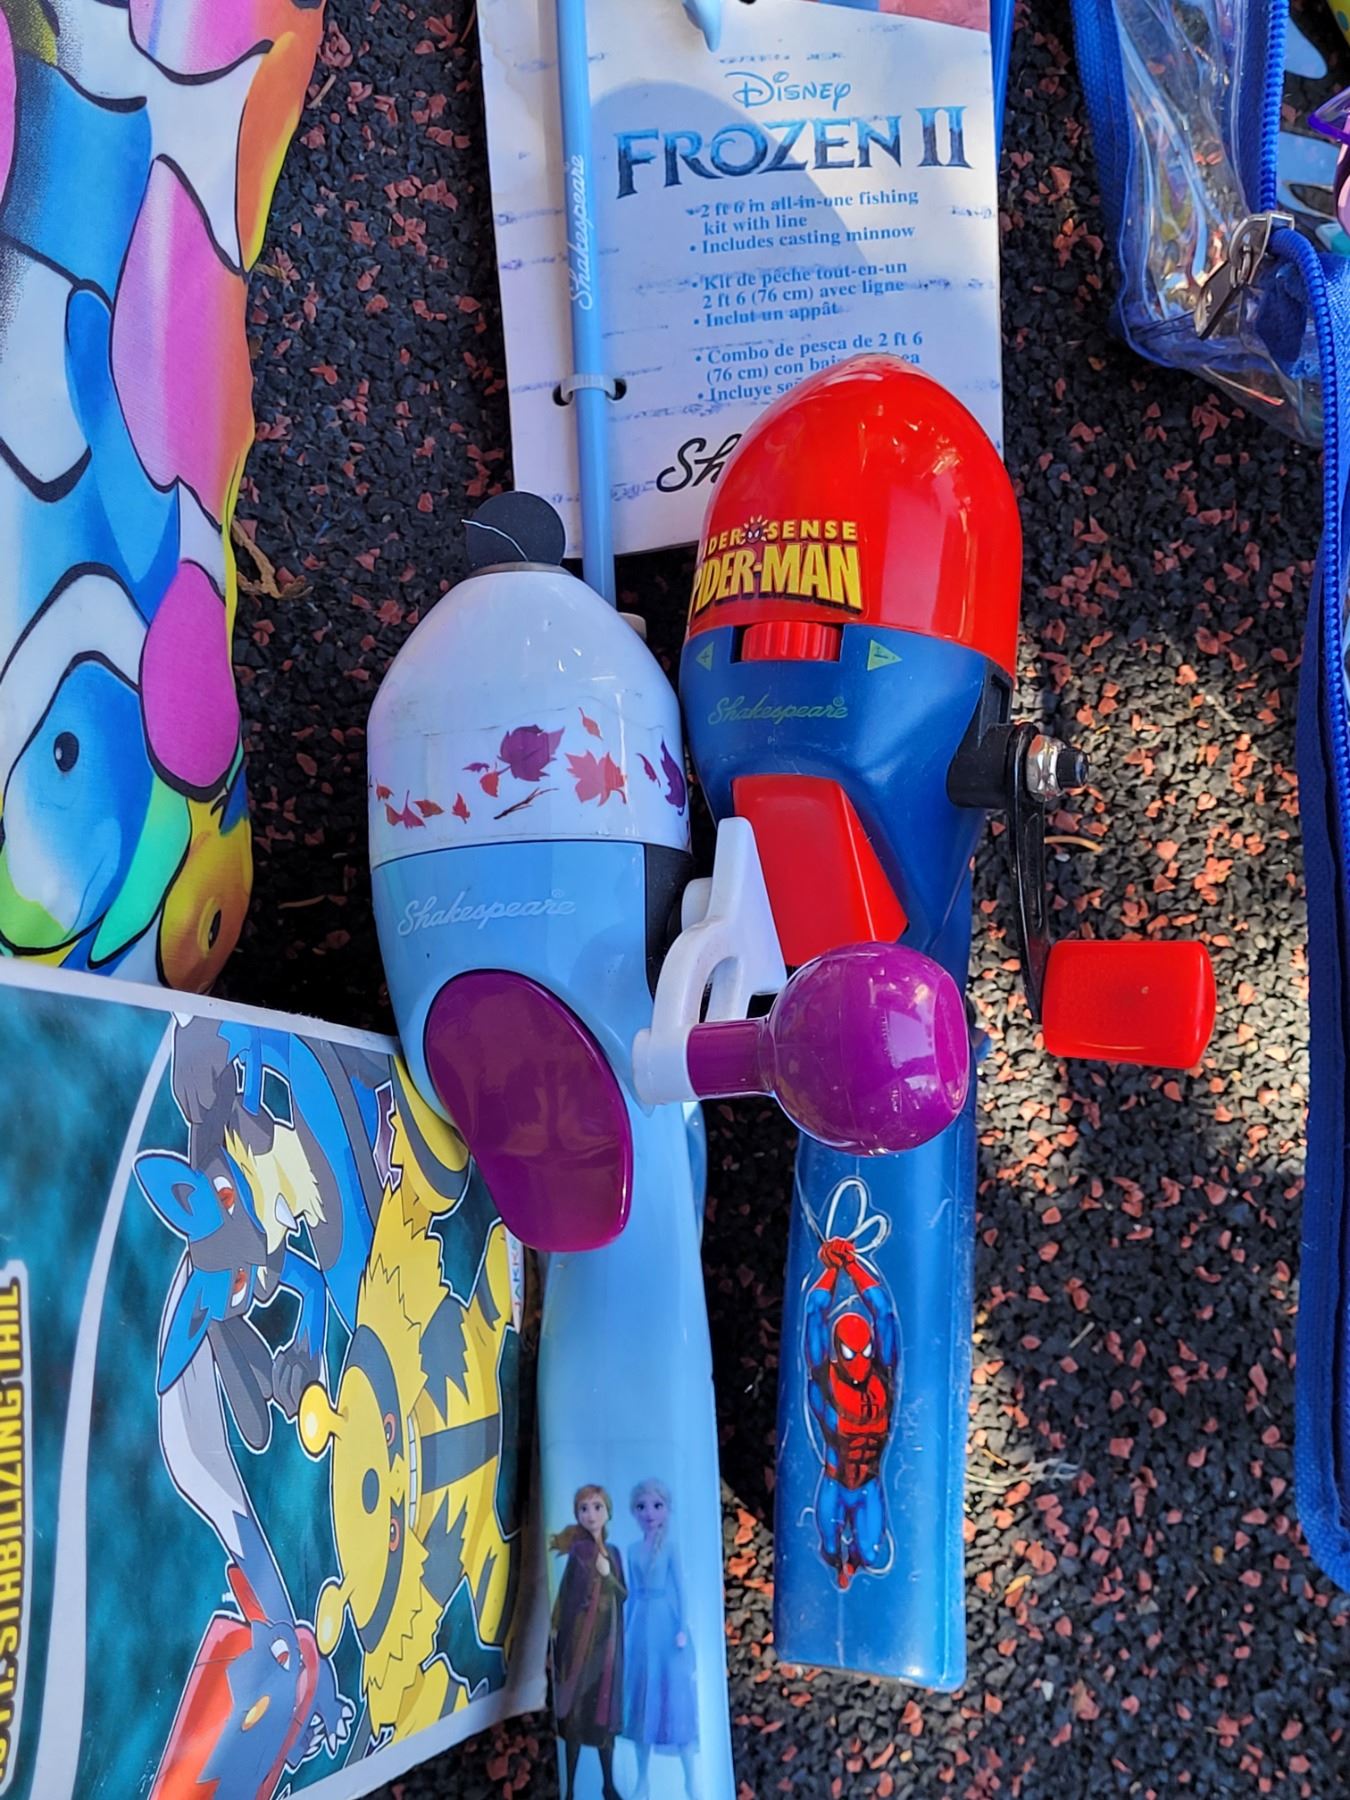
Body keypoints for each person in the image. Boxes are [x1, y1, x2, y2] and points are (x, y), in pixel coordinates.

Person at [805, 1235, 900, 1588]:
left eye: (864, 1352)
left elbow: (884, 1313)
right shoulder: (824, 1379)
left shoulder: (882, 1377)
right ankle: (838, 1564)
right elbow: (814, 1314)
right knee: (829, 1547)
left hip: (869, 1484)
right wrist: (831, 1269)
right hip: (835, 1480)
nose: (859, 1361)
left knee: (871, 1554)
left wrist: (852, 1265)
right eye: (850, 1353)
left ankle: (854, 1566)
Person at [623, 1479, 700, 1800]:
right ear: (634, 1511)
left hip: (666, 1625)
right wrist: (625, 1631)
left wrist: (681, 1627)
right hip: (640, 1626)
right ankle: (642, 1780)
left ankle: (691, 1780)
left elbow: (681, 1590)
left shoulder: (670, 1548)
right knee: (642, 1701)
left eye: (657, 1506)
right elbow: (630, 1594)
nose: (649, 1513)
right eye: (642, 1507)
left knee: (674, 1700)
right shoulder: (631, 1550)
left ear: (667, 1509)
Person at [551, 1484, 628, 1800]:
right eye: (584, 1509)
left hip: (606, 1642)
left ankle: (608, 1785)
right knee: (575, 1711)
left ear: (607, 1511)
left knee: (603, 1711)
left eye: (597, 1507)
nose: (591, 1514)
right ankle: (570, 1790)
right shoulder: (579, 1552)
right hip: (579, 1638)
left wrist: (608, 1574)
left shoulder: (614, 1553)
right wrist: (557, 1631)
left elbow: (623, 1594)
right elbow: (565, 1595)